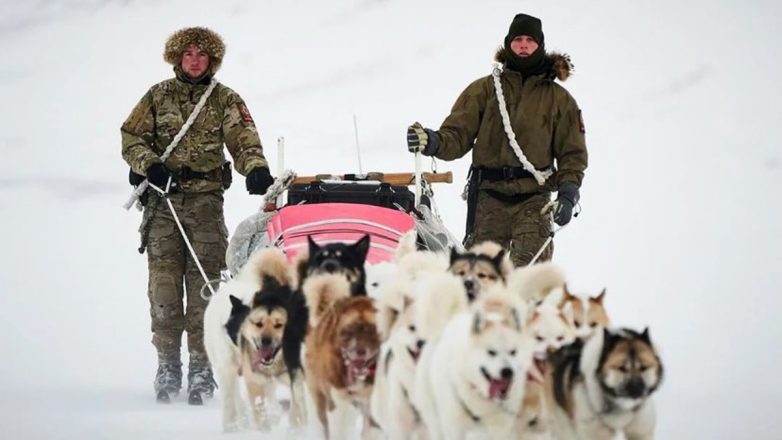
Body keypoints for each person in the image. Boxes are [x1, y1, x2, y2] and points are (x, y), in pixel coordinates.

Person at [121, 27, 274, 404]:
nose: (194, 60)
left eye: (202, 55)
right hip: (163, 206)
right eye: (188, 54)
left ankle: (202, 369)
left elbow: (245, 141)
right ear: (177, 57)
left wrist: (255, 168)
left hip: (206, 203)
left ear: (212, 61)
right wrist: (150, 165)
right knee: (165, 290)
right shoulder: (157, 96)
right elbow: (131, 137)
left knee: (206, 287)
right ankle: (168, 366)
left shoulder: (224, 99)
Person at [407, 13, 587, 266]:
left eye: (530, 40)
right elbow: (457, 135)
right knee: (475, 274)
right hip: (488, 198)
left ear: (540, 45)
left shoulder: (560, 100)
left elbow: (573, 155)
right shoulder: (485, 90)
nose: (523, 45)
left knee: (528, 273)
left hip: (533, 199)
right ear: (508, 43)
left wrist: (568, 196)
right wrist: (433, 141)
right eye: (518, 39)